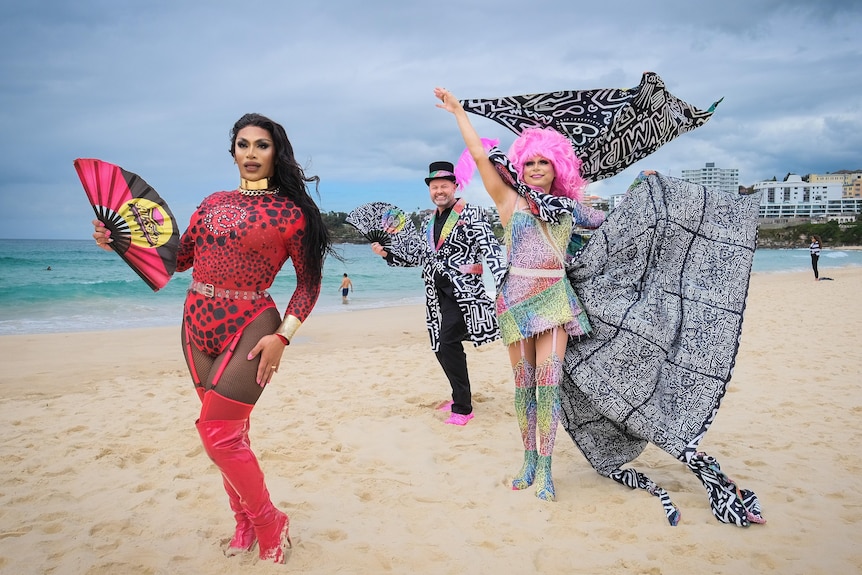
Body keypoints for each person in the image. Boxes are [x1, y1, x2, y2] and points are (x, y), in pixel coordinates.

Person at [92, 113, 333, 563]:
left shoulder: (293, 214)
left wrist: (283, 337)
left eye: (262, 145)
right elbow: (178, 258)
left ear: (276, 153)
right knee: (230, 432)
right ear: (233, 152)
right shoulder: (209, 203)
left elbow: (309, 285)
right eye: (243, 145)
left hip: (252, 324)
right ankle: (242, 521)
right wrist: (120, 243)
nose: (251, 154)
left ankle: (268, 521)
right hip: (196, 322)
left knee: (216, 433)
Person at [434, 89, 605, 499]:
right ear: (520, 166)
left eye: (543, 161)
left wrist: (645, 188)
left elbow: (615, 226)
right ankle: (528, 458)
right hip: (514, 299)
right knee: (523, 385)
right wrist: (460, 113)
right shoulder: (509, 200)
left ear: (557, 165)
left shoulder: (571, 208)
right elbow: (478, 157)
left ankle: (546, 468)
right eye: (529, 161)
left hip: (555, 297)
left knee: (549, 384)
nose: (535, 167)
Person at [370, 161, 506, 426]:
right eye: (434, 187)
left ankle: (463, 408)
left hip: (466, 292)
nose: (439, 191)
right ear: (430, 190)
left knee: (448, 343)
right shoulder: (428, 220)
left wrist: (504, 283)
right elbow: (420, 255)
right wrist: (387, 253)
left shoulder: (472, 213)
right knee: (439, 348)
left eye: (444, 185)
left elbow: (490, 247)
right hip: (436, 293)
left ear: (455, 186)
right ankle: (459, 395)